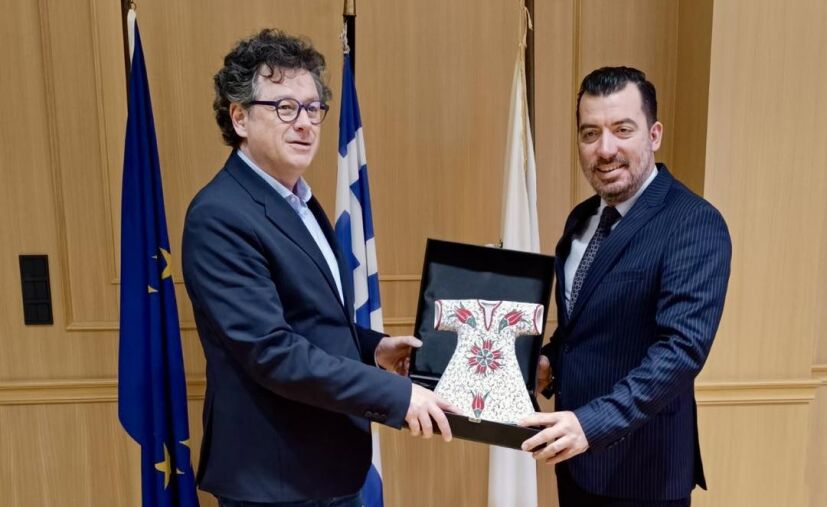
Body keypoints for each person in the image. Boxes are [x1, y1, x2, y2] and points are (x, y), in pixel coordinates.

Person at [182, 29, 454, 507]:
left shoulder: (299, 200)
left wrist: (373, 347)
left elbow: (309, 318)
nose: (305, 124)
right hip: (275, 479)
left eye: (312, 108)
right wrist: (396, 396)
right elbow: (272, 350)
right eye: (285, 108)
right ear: (239, 117)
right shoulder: (219, 215)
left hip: (327, 470)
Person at [520, 66, 732, 506]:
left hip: (644, 472)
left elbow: (680, 350)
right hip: (574, 461)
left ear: (654, 135)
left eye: (622, 129)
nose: (605, 149)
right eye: (590, 133)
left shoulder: (694, 223)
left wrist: (591, 424)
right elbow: (583, 326)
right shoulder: (581, 219)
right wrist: (549, 363)